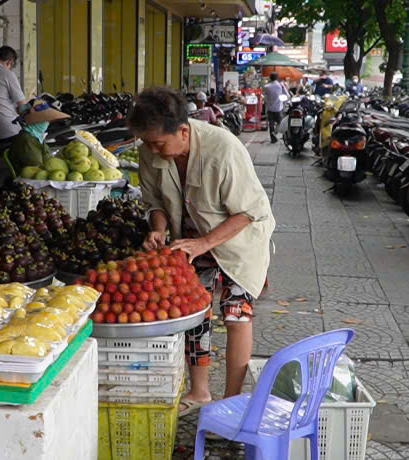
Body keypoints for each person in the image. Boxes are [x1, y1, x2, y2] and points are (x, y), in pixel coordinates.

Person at [129, 87, 274, 417]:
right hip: (190, 239)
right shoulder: (150, 151)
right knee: (195, 313)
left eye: (158, 144)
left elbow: (248, 211)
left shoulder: (223, 150)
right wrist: (159, 228)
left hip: (238, 238)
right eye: (147, 144)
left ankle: (232, 400)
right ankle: (199, 392)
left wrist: (204, 244)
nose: (152, 150)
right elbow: (155, 202)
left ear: (183, 131)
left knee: (237, 314)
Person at [262, 72, 288, 143]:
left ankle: (273, 139)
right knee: (281, 123)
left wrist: (267, 101)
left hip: (270, 108)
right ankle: (278, 133)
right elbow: (287, 95)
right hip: (279, 108)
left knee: (271, 124)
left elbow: (264, 96)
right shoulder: (280, 85)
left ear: (270, 78)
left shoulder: (266, 86)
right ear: (277, 77)